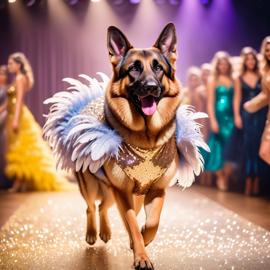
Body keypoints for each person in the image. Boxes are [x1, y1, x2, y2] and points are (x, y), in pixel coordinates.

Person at [5, 52, 72, 192]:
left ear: (18, 65)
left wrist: (16, 119)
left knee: (22, 148)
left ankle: (18, 183)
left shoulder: (20, 78)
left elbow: (19, 101)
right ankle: (21, 182)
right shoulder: (17, 78)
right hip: (13, 115)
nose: (9, 66)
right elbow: (9, 102)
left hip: (19, 116)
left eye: (11, 63)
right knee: (20, 148)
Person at [234, 47, 268, 195]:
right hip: (247, 114)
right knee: (249, 148)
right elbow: (236, 98)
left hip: (261, 113)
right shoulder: (239, 77)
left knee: (258, 148)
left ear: (256, 60)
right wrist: (237, 116)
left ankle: (257, 183)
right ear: (244, 61)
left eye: (253, 59)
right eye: (247, 59)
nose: (250, 61)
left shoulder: (262, 75)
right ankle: (249, 182)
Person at [203, 51, 234, 191]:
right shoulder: (212, 80)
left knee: (229, 147)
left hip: (231, 117)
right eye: (220, 63)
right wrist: (213, 120)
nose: (223, 66)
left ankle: (226, 177)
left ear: (228, 65)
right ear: (217, 65)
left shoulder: (233, 79)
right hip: (219, 116)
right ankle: (220, 177)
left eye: (225, 63)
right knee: (218, 147)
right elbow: (210, 103)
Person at [244, 37, 270, 165]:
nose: (269, 53)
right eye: (267, 50)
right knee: (264, 152)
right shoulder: (266, 70)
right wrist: (251, 104)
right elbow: (266, 94)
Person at [0, 65, 9, 189]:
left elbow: (8, 103)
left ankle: (4, 180)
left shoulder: (7, 89)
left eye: (2, 74)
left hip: (3, 117)